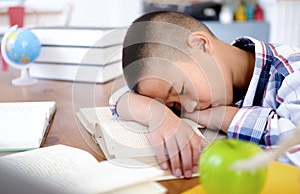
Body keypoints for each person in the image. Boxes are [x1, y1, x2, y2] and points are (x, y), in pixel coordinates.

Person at [109, 10, 300, 178]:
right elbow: (117, 99)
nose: (189, 108)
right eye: (175, 106)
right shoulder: (210, 83)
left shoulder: (292, 71)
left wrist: (222, 117)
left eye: (183, 90)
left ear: (200, 44)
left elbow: (295, 153)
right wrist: (158, 115)